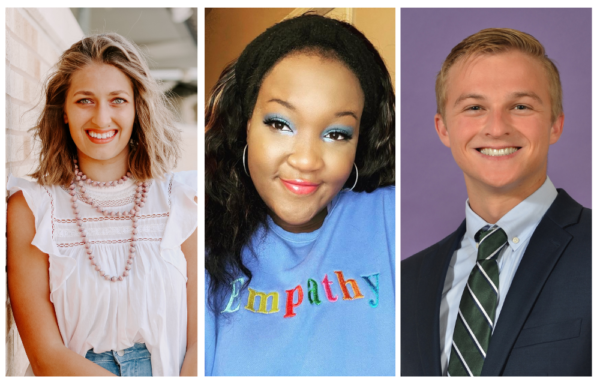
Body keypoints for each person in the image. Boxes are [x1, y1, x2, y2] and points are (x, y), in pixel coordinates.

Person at [205, 14, 395, 375]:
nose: (306, 161)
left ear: (359, 144)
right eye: (280, 124)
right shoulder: (206, 244)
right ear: (246, 124)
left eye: (337, 133)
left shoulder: (389, 218)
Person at [401, 28, 591, 376]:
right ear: (443, 129)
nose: (497, 127)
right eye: (475, 107)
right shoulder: (405, 284)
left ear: (554, 125)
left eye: (520, 106)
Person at [6, 33, 197, 376]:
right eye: (85, 101)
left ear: (138, 108)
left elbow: (201, 340)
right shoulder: (32, 208)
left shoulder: (182, 199)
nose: (102, 118)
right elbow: (45, 356)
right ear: (63, 111)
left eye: (118, 100)